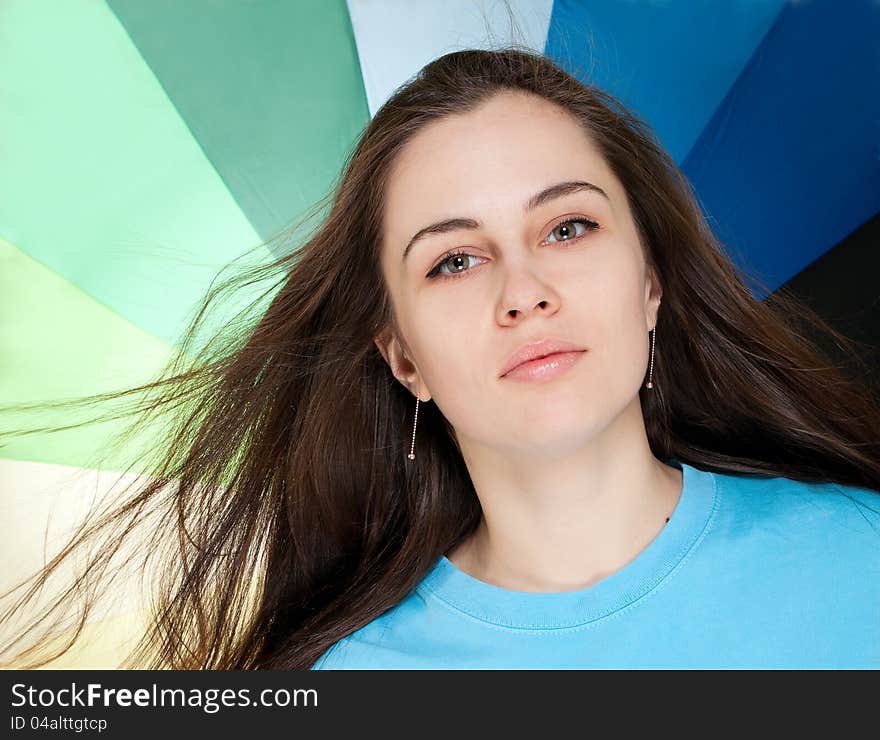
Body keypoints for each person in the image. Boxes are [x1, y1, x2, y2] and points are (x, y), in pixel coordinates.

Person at [2, 47, 879, 671]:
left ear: (650, 282)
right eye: (454, 259)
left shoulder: (860, 559)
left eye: (567, 226)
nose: (523, 290)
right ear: (403, 358)